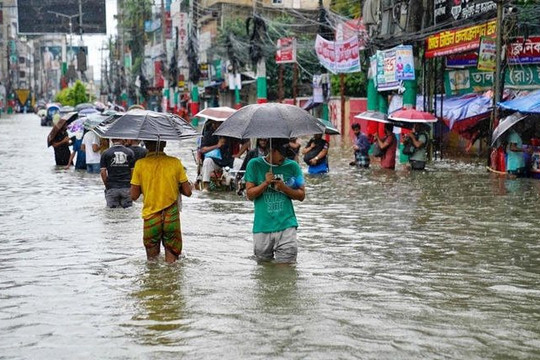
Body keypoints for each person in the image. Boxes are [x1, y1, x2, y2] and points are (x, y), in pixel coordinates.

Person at [244, 138, 305, 264]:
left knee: (286, 272)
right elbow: (250, 195)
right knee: (264, 271)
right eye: (281, 153)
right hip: (262, 227)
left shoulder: (292, 166)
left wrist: (284, 188)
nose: (284, 157)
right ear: (271, 150)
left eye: (286, 153)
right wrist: (265, 183)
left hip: (287, 225)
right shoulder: (254, 164)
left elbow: (301, 195)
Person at [131, 140, 192, 263]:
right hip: (171, 216)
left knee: (152, 263)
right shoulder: (175, 162)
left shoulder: (140, 164)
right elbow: (188, 192)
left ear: (146, 145)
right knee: (172, 265)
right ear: (164, 144)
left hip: (151, 218)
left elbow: (133, 196)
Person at [199, 120, 243, 191]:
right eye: (217, 123)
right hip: (215, 160)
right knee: (207, 161)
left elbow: (246, 143)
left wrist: (238, 154)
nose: (218, 125)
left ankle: (237, 185)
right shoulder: (209, 134)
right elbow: (202, 149)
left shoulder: (229, 133)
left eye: (220, 123)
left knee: (240, 163)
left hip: (228, 159)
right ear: (213, 124)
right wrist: (217, 145)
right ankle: (206, 187)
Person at [100, 138, 135, 208]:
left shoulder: (105, 153)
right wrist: (131, 184)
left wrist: (107, 185)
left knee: (112, 213)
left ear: (112, 140)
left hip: (112, 187)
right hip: (126, 187)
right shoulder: (129, 152)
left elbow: (103, 172)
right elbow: (133, 171)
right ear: (122, 140)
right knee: (128, 211)